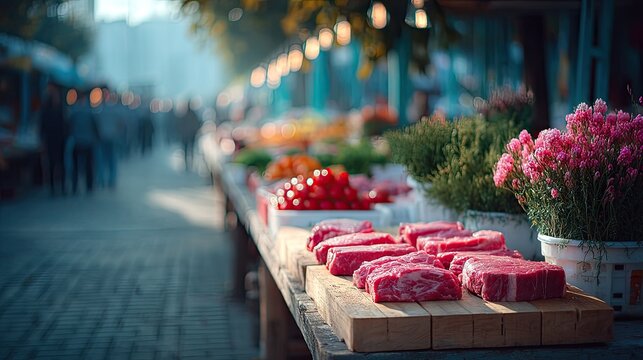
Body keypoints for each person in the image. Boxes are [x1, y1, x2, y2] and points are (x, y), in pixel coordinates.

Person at [68, 90, 99, 194]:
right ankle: (89, 186)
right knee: (88, 166)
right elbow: (95, 126)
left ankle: (75, 186)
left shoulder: (73, 111)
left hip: (77, 141)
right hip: (88, 142)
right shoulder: (90, 112)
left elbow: (69, 126)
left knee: (76, 167)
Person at [39, 83, 67, 195]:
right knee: (52, 164)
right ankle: (54, 187)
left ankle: (61, 186)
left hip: (58, 141)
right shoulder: (49, 111)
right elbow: (42, 127)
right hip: (53, 140)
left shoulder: (59, 110)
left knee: (59, 164)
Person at [96, 88, 123, 189]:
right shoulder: (115, 110)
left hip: (102, 138)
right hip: (112, 137)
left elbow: (96, 125)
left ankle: (101, 179)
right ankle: (111, 179)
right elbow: (120, 124)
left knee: (102, 160)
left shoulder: (99, 110)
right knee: (112, 160)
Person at [177, 100, 201, 170]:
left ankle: (187, 164)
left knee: (186, 150)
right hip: (190, 135)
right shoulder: (193, 115)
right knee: (190, 150)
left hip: (186, 136)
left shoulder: (184, 115)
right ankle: (190, 163)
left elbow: (180, 125)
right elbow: (197, 124)